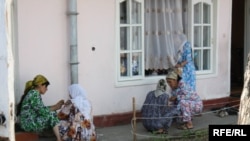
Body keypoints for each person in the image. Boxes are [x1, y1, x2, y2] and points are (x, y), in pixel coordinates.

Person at [17, 74, 64, 141]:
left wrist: (55, 106)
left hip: (29, 121)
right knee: (52, 114)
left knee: (52, 113)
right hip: (27, 124)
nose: (46, 89)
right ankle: (59, 139)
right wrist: (55, 107)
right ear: (40, 85)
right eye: (45, 86)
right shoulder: (34, 94)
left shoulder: (34, 93)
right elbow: (42, 111)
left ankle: (56, 136)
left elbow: (41, 109)